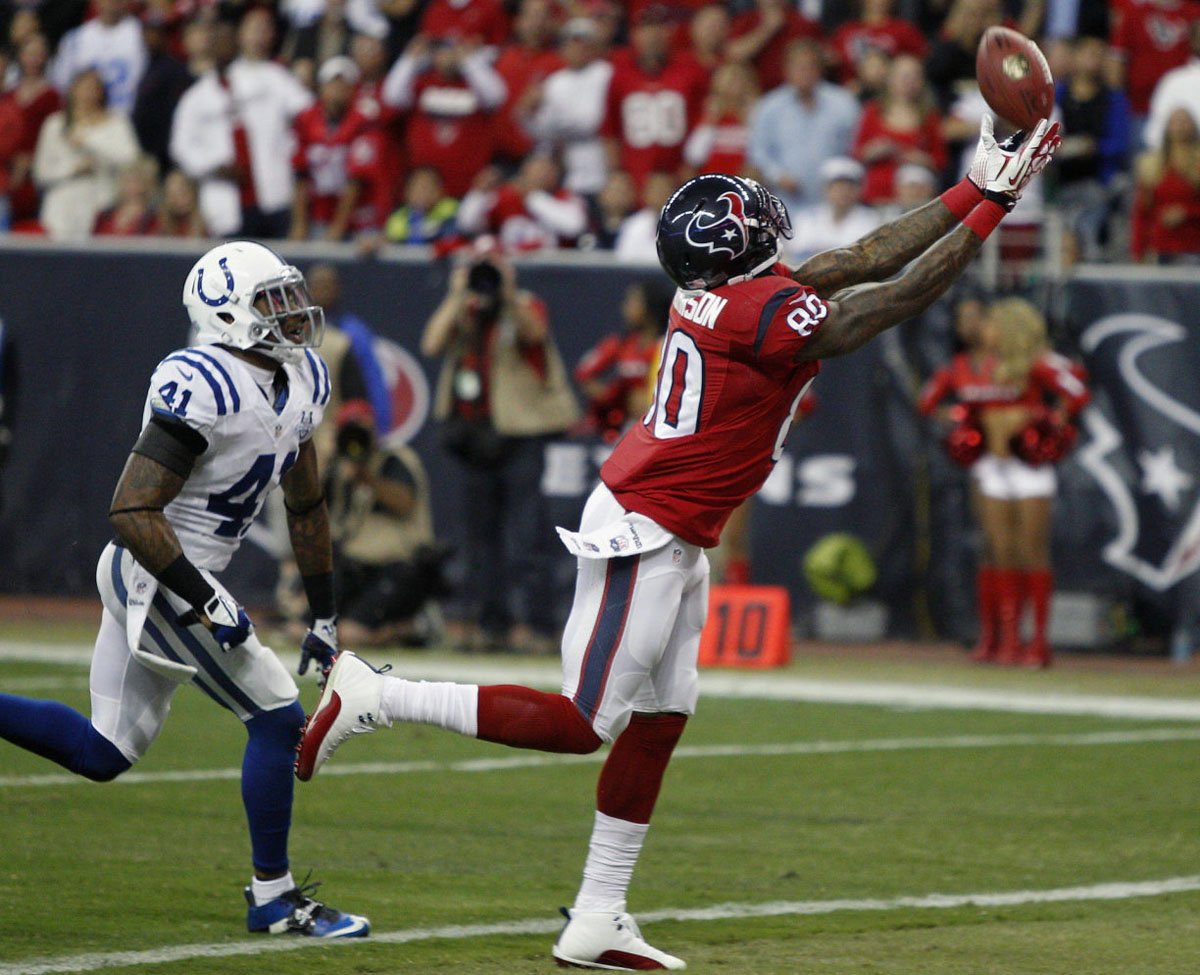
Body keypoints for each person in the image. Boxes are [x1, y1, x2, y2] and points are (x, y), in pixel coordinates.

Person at [295, 115, 1062, 969]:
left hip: (675, 526)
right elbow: (890, 298)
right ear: (735, 246)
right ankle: (378, 694)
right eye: (752, 217)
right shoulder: (758, 311)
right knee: (586, 722)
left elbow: (860, 259)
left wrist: (975, 182)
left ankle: (598, 915)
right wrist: (993, 209)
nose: (770, 223)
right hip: (645, 525)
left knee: (661, 719)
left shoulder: (737, 297)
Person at [0, 241, 368, 938]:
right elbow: (132, 508)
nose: (291, 312)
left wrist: (324, 611)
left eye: (289, 295)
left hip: (178, 576)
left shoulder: (305, 378)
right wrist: (204, 595)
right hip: (158, 572)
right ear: (229, 313)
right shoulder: (205, 380)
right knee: (278, 716)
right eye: (271, 299)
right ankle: (274, 898)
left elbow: (307, 503)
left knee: (102, 753)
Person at [420, 250, 580, 653]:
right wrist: (457, 296)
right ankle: (491, 623)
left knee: (526, 537)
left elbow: (534, 335)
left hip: (519, 435)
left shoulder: (523, 305)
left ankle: (537, 625)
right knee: (480, 540)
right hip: (474, 437)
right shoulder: (466, 310)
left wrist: (507, 294)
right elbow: (432, 343)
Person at [918, 297, 1090, 667]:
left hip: (1028, 466)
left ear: (1010, 328)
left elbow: (1077, 390)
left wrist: (1048, 420)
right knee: (997, 549)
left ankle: (1038, 642)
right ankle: (1005, 640)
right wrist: (963, 419)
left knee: (1031, 552)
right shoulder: (979, 368)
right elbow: (931, 402)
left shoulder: (1036, 363)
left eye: (992, 324)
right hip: (991, 466)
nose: (985, 331)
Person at [169, 11, 313, 238]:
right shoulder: (195, 97)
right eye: (217, 41)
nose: (222, 46)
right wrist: (213, 166)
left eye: (227, 40)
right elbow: (181, 146)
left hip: (273, 193)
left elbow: (307, 111)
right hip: (226, 198)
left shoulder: (269, 76)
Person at [325, 400, 451, 646]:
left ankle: (415, 628)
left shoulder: (396, 460)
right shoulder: (338, 469)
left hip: (397, 564)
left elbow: (404, 503)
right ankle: (405, 627)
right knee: (304, 629)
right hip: (354, 564)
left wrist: (365, 478)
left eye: (364, 429)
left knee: (350, 634)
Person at [32, 67, 140, 240]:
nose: (87, 94)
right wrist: (72, 169)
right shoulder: (55, 124)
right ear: (72, 90)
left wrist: (89, 142)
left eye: (93, 88)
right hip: (60, 206)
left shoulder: (116, 122)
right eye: (83, 87)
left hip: (100, 205)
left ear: (101, 92)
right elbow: (41, 173)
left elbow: (130, 158)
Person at [574, 278, 673, 441]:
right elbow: (584, 373)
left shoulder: (667, 346)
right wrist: (611, 400)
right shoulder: (620, 344)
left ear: (650, 307)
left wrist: (652, 402)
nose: (626, 307)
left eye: (633, 301)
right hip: (625, 427)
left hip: (660, 425)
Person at [1132, 105, 1200, 262]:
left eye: (1185, 121)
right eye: (1176, 122)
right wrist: (1138, 251)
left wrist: (1187, 212)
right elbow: (1142, 212)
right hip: (1162, 247)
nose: (1180, 127)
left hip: (1194, 246)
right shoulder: (1152, 166)